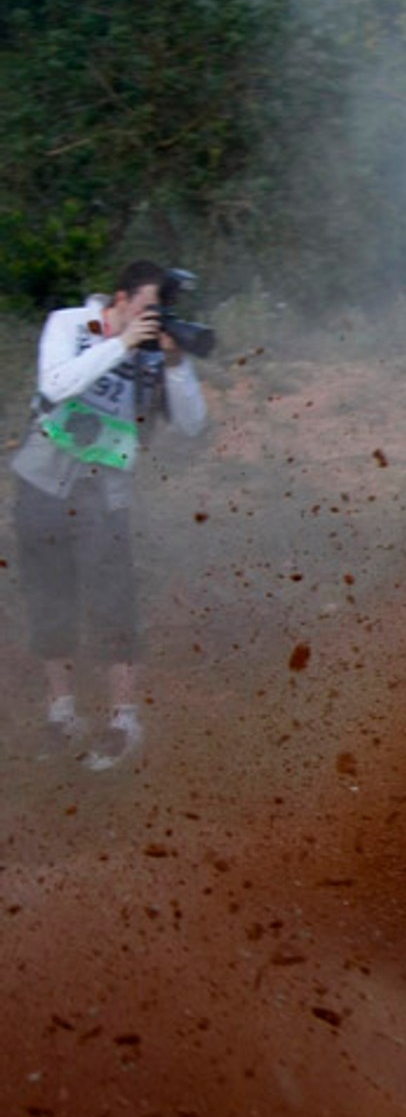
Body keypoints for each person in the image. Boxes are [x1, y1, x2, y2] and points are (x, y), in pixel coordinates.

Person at [11, 260, 209, 769]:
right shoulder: (72, 324)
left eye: (159, 311)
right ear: (118, 299)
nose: (151, 318)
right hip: (42, 479)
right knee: (49, 597)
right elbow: (55, 385)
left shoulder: (154, 354)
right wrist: (119, 344)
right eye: (145, 308)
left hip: (106, 491)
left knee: (111, 600)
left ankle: (123, 720)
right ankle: (62, 711)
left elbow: (192, 425)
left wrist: (174, 363)